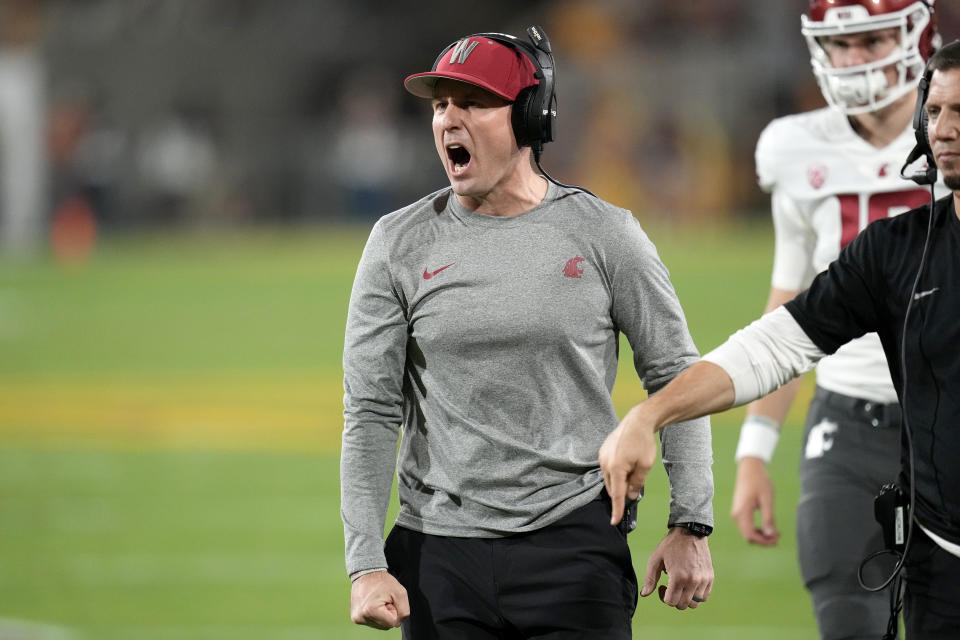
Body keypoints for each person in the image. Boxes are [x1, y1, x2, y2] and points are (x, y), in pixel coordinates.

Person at [341, 27, 714, 638]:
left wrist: (691, 522)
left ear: (531, 116)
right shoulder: (396, 243)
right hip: (439, 557)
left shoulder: (606, 235)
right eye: (440, 105)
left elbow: (677, 377)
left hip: (573, 549)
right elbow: (372, 410)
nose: (448, 121)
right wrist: (365, 565)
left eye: (473, 103)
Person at [600, 38, 960, 640]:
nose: (943, 130)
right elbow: (775, 344)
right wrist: (651, 413)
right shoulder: (897, 250)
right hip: (939, 557)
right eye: (935, 111)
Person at [729, 2, 946, 638]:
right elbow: (788, 310)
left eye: (871, 39)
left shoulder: (952, 129)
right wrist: (753, 451)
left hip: (947, 417)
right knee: (847, 621)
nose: (853, 61)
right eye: (840, 45)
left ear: (918, 36)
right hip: (849, 424)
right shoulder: (796, 149)